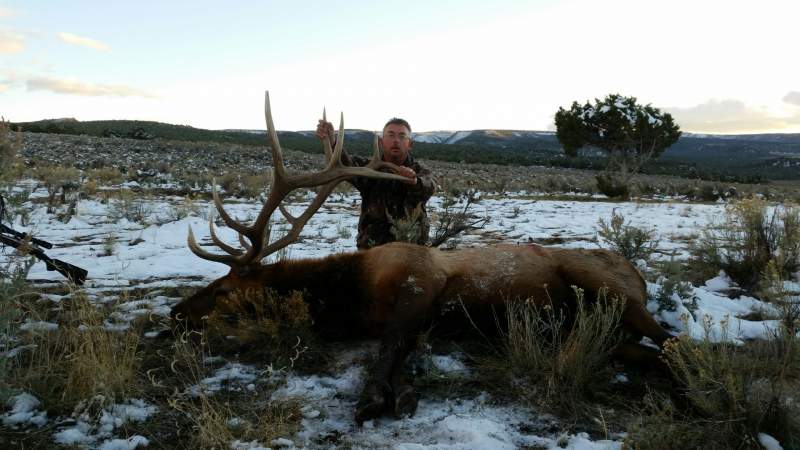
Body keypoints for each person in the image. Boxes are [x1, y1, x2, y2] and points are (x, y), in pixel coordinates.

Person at [316, 117, 435, 249]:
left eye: (402, 136)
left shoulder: (419, 171)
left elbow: (428, 187)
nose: (396, 140)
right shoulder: (367, 169)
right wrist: (332, 141)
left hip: (411, 250)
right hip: (372, 251)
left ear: (410, 144)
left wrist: (414, 181)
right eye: (390, 135)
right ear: (381, 141)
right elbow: (345, 164)